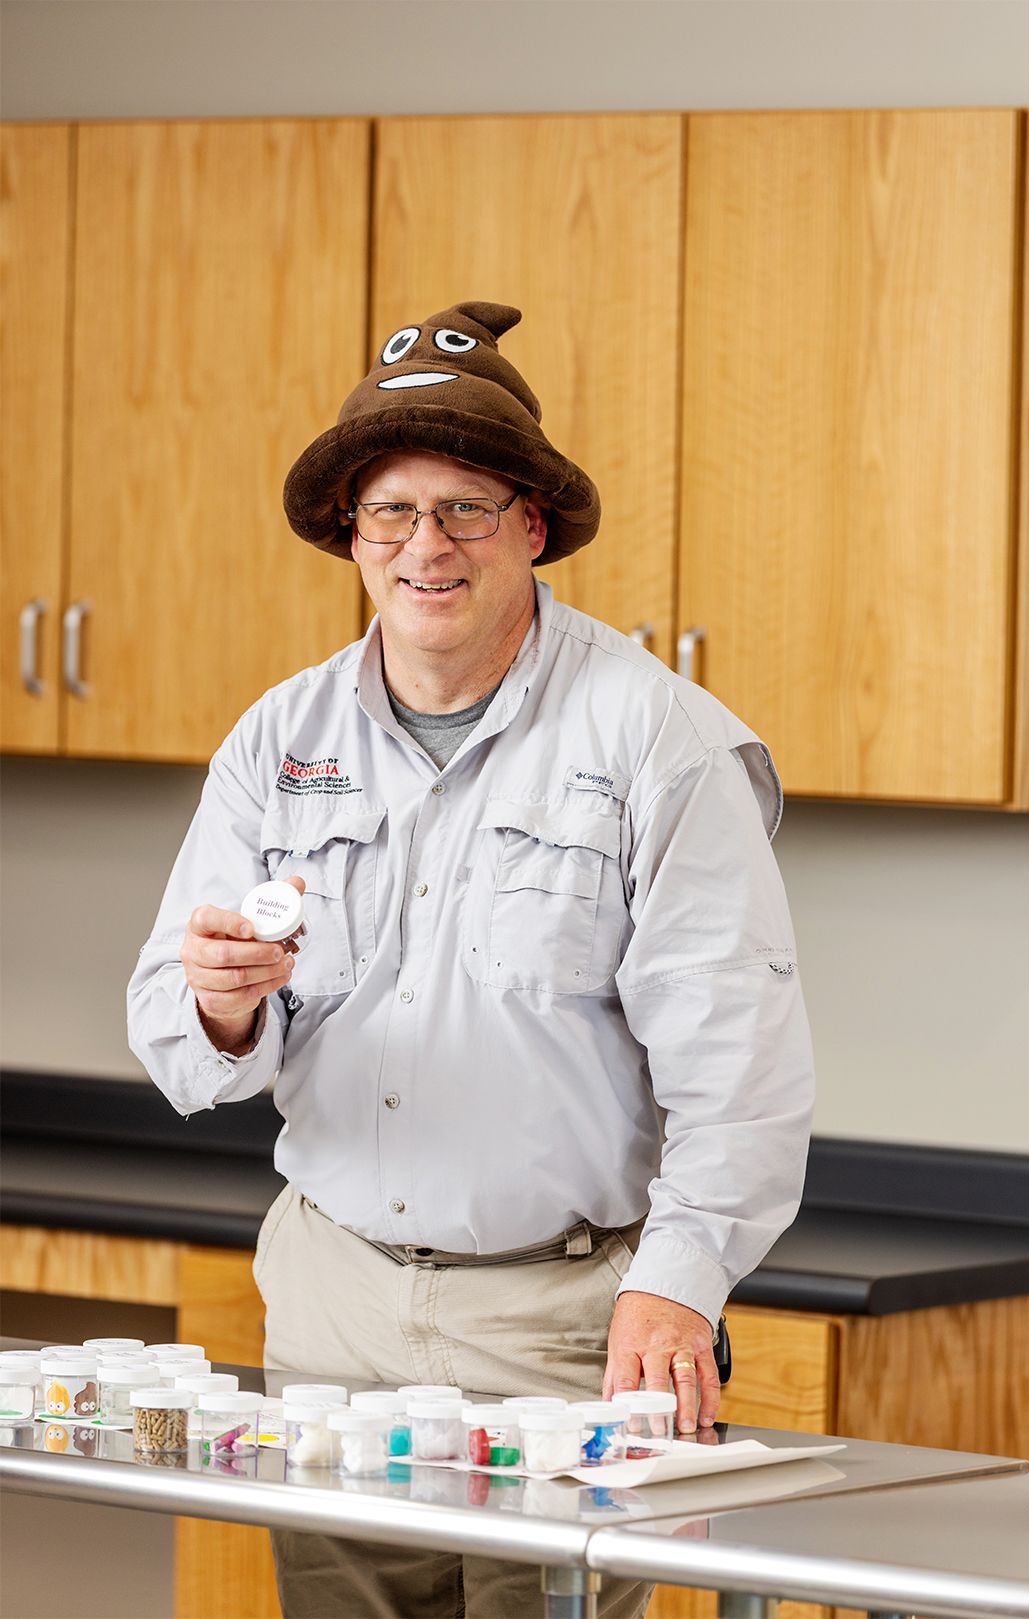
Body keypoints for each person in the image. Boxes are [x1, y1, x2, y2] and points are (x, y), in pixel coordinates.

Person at [128, 300, 814, 1619]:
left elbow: (741, 1067)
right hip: (330, 1312)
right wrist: (217, 1008)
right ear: (351, 535)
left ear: (531, 526)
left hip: (556, 1325)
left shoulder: (655, 742)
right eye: (391, 512)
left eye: (465, 510)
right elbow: (175, 1029)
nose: (424, 546)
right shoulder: (282, 739)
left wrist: (677, 1291)